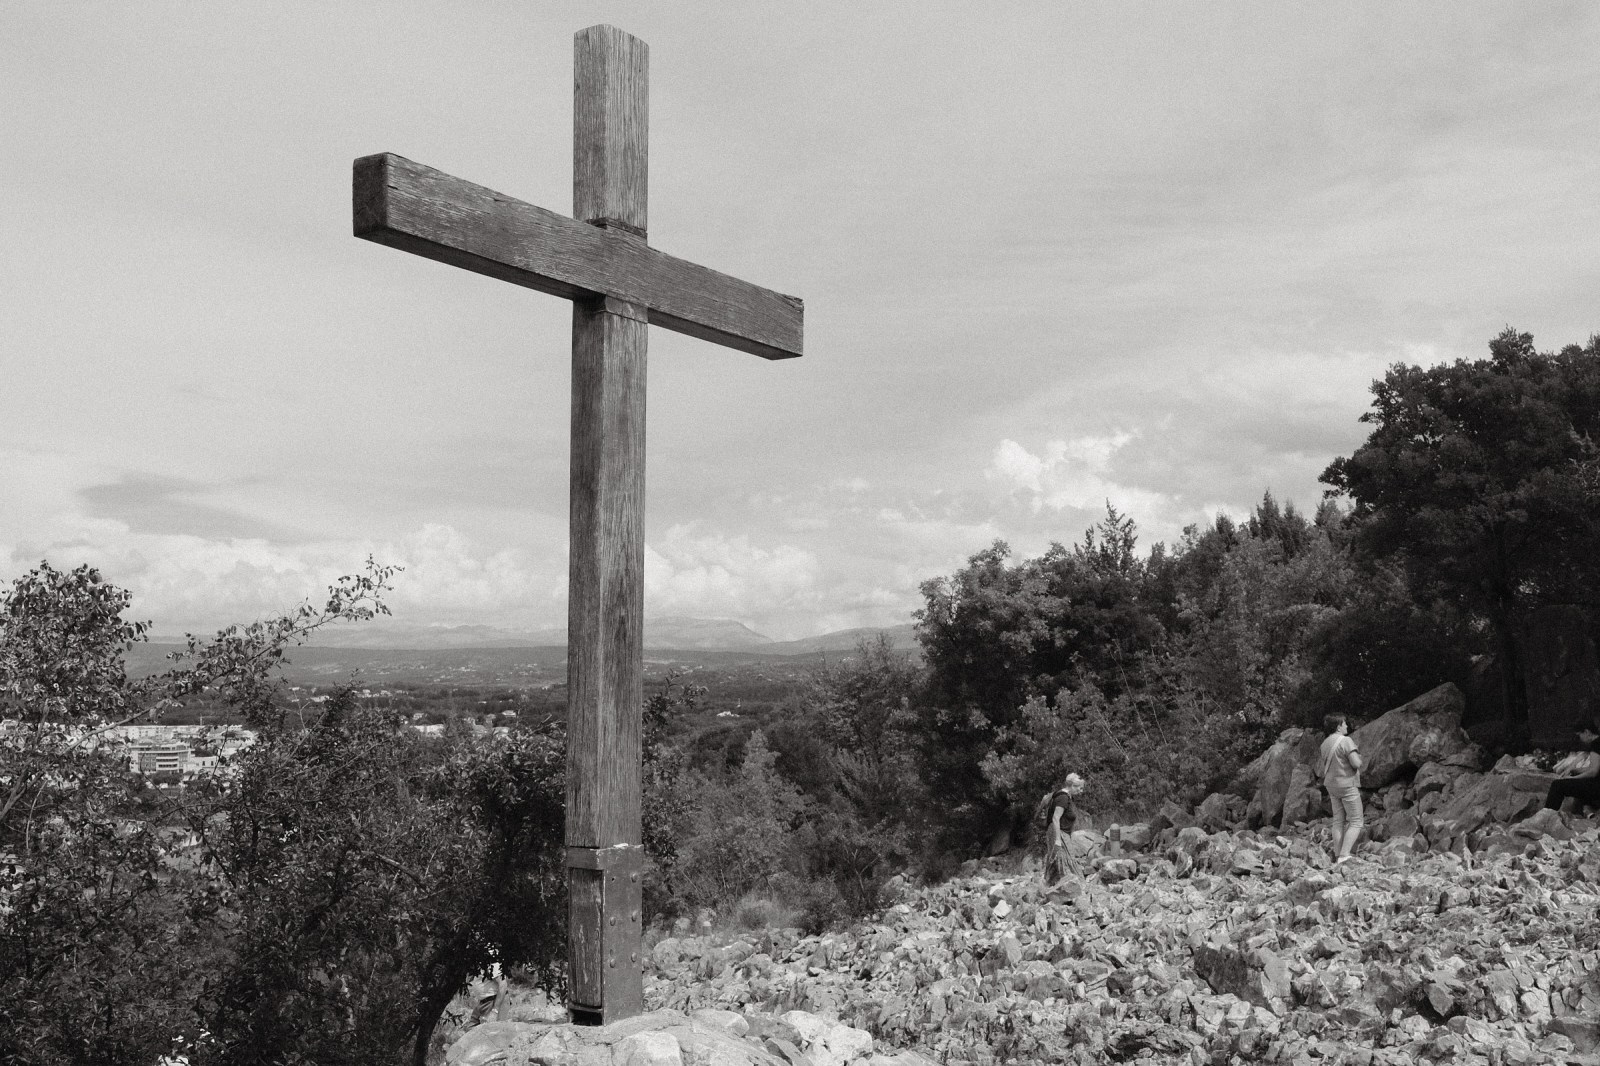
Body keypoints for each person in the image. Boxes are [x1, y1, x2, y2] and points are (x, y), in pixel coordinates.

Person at [1315, 713, 1364, 865]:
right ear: (1338, 727)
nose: (1347, 726)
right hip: (1347, 784)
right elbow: (1356, 763)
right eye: (1344, 723)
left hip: (1331, 785)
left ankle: (1337, 855)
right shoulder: (1346, 741)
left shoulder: (1325, 744)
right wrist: (1360, 758)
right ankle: (1344, 855)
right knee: (1356, 821)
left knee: (1338, 820)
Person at [1542, 722, 1600, 815]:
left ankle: (1546, 816)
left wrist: (1573, 778)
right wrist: (1575, 770)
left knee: (1557, 785)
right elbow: (1594, 767)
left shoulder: (1597, 744)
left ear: (1586, 732)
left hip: (1597, 787)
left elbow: (1593, 771)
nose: (1580, 739)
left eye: (1579, 735)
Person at [1043, 772, 1086, 884]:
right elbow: (1055, 818)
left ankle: (1051, 884)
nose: (1081, 791)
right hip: (1059, 833)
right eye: (1080, 788)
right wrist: (1058, 839)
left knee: (1060, 859)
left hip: (1062, 833)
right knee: (1065, 860)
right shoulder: (1063, 798)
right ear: (1073, 786)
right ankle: (1073, 885)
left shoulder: (1066, 797)